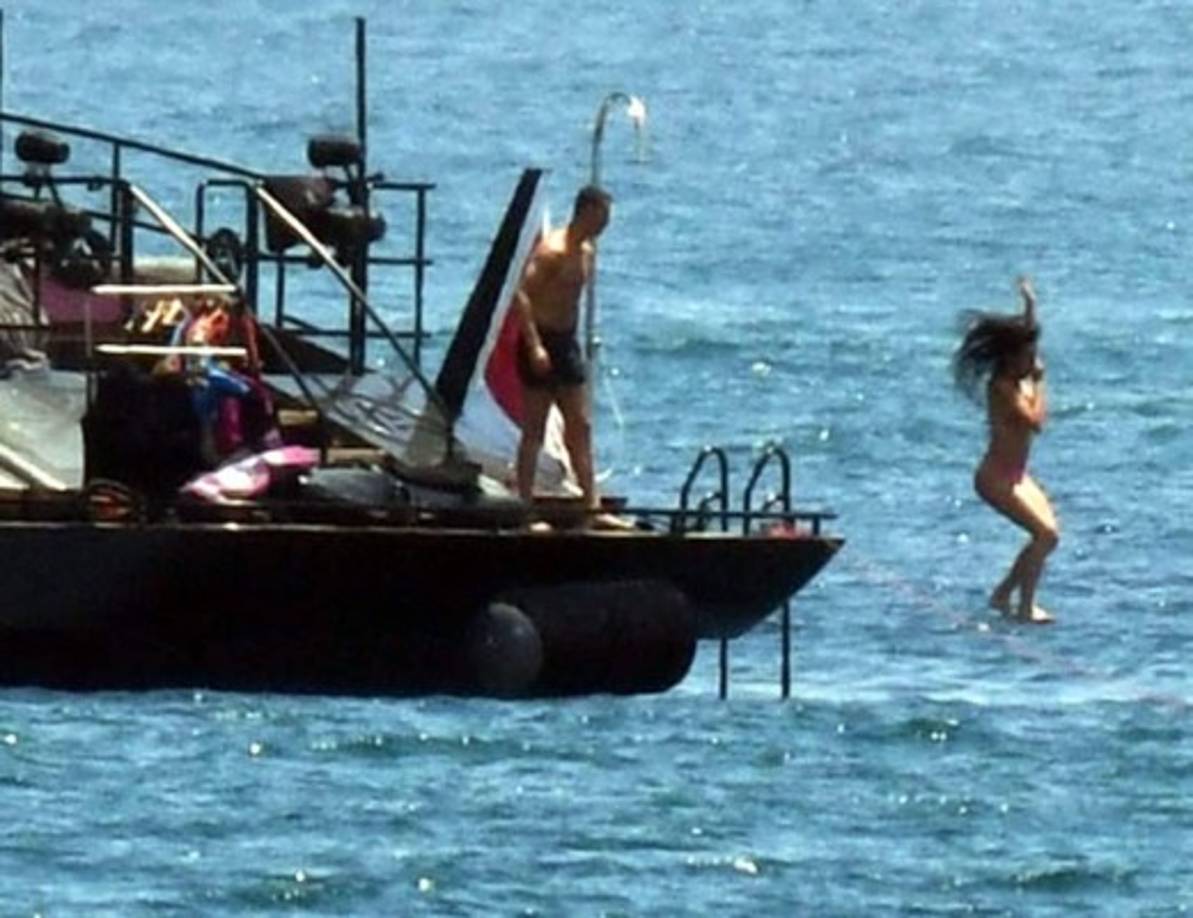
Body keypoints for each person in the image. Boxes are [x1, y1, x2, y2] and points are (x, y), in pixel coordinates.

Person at [954, 277, 1059, 623]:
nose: (1034, 360)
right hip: (995, 479)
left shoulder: (1018, 376)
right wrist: (1040, 383)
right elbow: (1036, 422)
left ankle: (1004, 596)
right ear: (1012, 359)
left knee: (1047, 537)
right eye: (1028, 356)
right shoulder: (1003, 388)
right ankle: (1023, 606)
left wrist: (1030, 304)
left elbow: (1026, 334)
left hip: (1016, 475)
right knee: (1044, 535)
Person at [513, 184, 617, 526]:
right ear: (586, 212)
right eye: (602, 216)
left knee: (580, 426)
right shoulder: (552, 250)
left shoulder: (586, 251)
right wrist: (535, 346)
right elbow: (522, 296)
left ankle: (592, 507)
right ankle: (524, 509)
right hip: (540, 341)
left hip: (566, 342)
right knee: (535, 429)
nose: (606, 224)